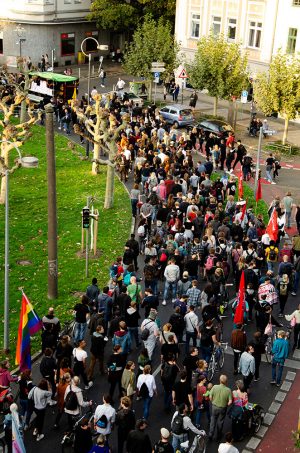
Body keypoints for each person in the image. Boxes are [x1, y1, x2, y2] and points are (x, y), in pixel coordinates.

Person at [208, 374, 232, 441]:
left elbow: (210, 396)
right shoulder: (228, 390)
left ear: (220, 380)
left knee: (213, 420)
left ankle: (210, 434)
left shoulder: (215, 387)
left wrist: (212, 401)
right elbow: (230, 401)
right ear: (226, 382)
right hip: (223, 408)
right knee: (220, 421)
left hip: (214, 407)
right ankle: (218, 435)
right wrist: (226, 404)